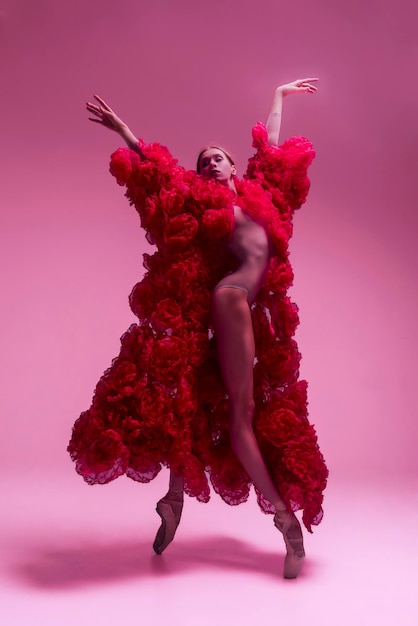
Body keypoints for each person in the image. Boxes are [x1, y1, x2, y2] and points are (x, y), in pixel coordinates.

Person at [68, 79, 328, 579]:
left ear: (234, 165)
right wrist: (123, 130)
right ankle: (286, 524)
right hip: (230, 299)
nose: (210, 162)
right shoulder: (199, 202)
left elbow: (271, 147)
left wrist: (276, 95)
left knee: (201, 404)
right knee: (243, 414)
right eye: (202, 159)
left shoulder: (263, 194)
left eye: (218, 156)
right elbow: (157, 169)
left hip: (251, 309)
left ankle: (173, 499)